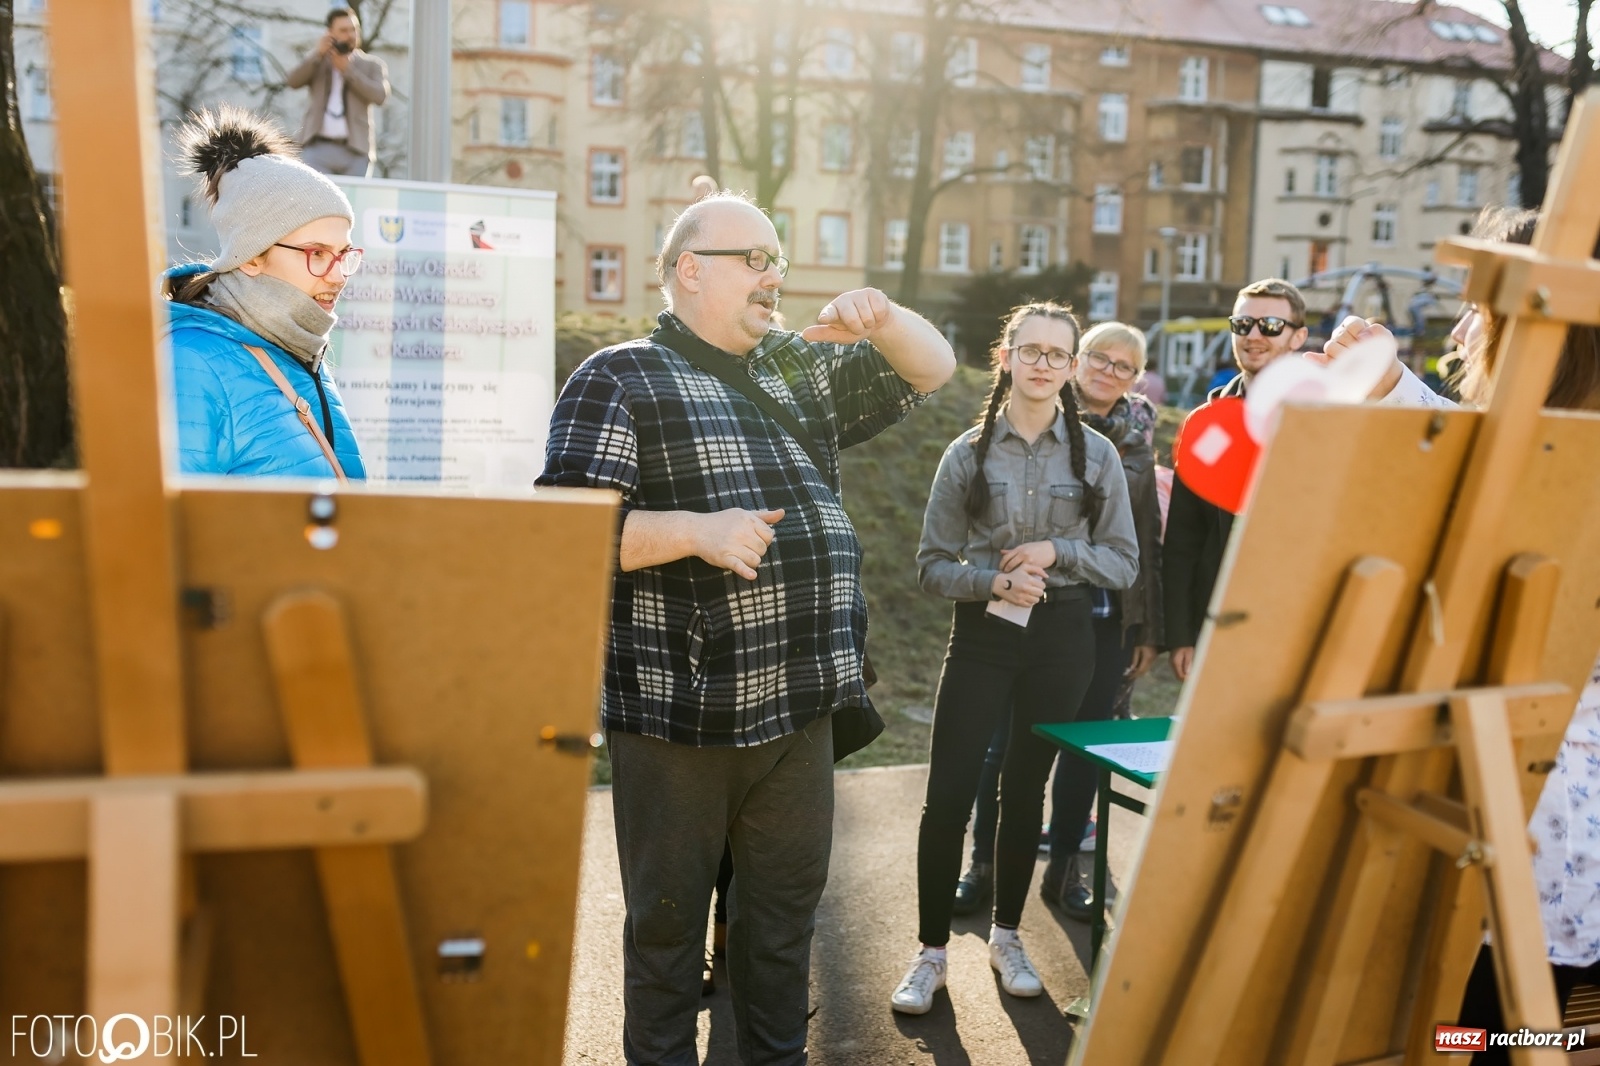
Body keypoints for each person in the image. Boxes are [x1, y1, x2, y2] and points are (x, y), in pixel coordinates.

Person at [537, 190, 954, 1065]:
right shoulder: (618, 376)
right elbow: (561, 535)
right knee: (667, 937)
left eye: (779, 261)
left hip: (801, 706)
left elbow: (933, 370)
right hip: (680, 718)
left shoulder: (791, 368)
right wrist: (696, 530)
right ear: (689, 270)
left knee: (781, 927)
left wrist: (885, 316)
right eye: (754, 259)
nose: (774, 277)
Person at [1323, 208, 1600, 1065]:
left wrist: (1394, 392)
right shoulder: (1559, 443)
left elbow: (1484, 498)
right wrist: (1395, 388)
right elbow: (1482, 467)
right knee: (1542, 1036)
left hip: (1538, 832)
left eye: (1484, 304)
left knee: (1477, 1037)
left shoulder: (1563, 458)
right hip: (1534, 827)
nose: (1466, 323)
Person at [891, 302, 1138, 1015]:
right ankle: (930, 952)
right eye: (1028, 350)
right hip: (983, 635)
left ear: (1070, 367)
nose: (1041, 364)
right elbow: (931, 566)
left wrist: (1058, 551)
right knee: (948, 795)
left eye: (1056, 355)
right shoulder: (965, 454)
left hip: (1063, 640)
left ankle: (1007, 937)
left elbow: (1122, 563)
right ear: (1006, 357)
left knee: (1023, 792)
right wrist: (994, 580)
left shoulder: (1097, 456)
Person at [952, 322, 1165, 922]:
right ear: (1077, 363)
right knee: (1002, 748)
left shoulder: (1142, 438)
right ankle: (984, 865)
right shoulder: (1030, 416)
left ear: (1135, 378)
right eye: (1099, 357)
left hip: (1105, 617)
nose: (1108, 371)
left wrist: (1148, 628)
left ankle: (1067, 866)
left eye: (1124, 366)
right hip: (1025, 608)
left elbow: (1146, 539)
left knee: (1086, 751)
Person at [1162, 278, 1445, 683]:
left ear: (1298, 337)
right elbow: (1183, 540)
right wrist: (1181, 635)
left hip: (1310, 618)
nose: (1254, 335)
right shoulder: (1206, 424)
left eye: (1270, 326)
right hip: (1223, 618)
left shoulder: (1336, 412)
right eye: (1242, 325)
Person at [162, 107, 365, 480]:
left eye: (344, 254)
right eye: (317, 253)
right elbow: (160, 526)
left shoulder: (298, 350)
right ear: (251, 256)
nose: (338, 276)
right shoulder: (191, 363)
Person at [286, 8, 390, 178]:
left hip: (356, 150)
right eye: (343, 30)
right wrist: (317, 54)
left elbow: (380, 96)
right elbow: (292, 81)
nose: (350, 35)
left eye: (354, 29)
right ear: (330, 33)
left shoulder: (372, 65)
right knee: (316, 202)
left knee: (354, 203)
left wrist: (348, 71)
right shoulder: (317, 61)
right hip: (317, 148)